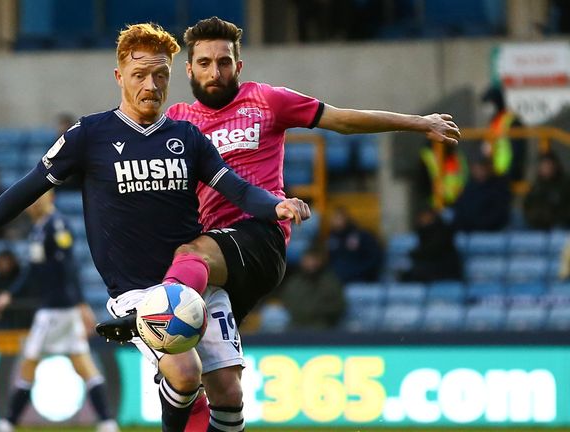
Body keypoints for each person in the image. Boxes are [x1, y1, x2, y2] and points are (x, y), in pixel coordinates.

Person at [0, 23, 309, 432]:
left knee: (228, 392)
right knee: (184, 373)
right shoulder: (89, 135)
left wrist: (277, 205)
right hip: (137, 293)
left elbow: (237, 189)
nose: (152, 84)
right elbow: (29, 187)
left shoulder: (188, 137)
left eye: (161, 75)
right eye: (140, 75)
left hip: (196, 286)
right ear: (119, 77)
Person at [96, 17, 461, 431]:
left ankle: (148, 320)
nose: (215, 72)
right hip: (209, 270)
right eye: (204, 63)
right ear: (189, 69)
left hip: (257, 240)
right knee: (225, 391)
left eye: (224, 62)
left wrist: (419, 122)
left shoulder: (267, 101)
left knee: (189, 254)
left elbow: (342, 120)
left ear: (239, 65)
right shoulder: (178, 122)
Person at [0, 190, 118, 432]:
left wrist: (81, 305)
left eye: (39, 197)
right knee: (83, 364)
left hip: (57, 309)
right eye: (32, 199)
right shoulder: (40, 228)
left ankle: (7, 424)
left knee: (29, 362)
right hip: (57, 308)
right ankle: (108, 422)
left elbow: (68, 268)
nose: (33, 202)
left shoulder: (57, 225)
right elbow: (33, 271)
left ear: (51, 197)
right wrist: (9, 294)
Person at [278, 248, 345, 329]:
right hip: (295, 325)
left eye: (313, 259)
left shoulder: (330, 282)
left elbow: (338, 306)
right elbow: (287, 303)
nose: (310, 263)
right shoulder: (294, 282)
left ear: (320, 261)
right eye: (307, 259)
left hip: (322, 326)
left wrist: (316, 312)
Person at [401, 207, 462, 282]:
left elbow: (433, 250)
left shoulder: (443, 232)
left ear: (433, 216)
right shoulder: (422, 233)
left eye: (426, 216)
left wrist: (413, 254)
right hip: (430, 270)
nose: (423, 219)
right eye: (421, 217)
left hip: (445, 270)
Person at [452, 156, 512, 232]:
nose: (479, 171)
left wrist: (475, 225)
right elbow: (460, 211)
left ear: (488, 167)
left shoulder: (499, 188)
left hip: (492, 234)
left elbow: (498, 215)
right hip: (469, 234)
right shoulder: (469, 188)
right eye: (476, 168)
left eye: (481, 168)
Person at [481, 85, 526, 181]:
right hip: (495, 174)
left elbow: (518, 151)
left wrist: (512, 172)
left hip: (508, 175)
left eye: (489, 105)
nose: (486, 109)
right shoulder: (493, 123)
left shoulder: (512, 121)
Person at [328, 207, 384, 283]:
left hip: (362, 278)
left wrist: (361, 272)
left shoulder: (362, 236)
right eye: (333, 218)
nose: (334, 221)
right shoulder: (332, 238)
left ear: (346, 219)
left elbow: (375, 257)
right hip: (338, 280)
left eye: (337, 218)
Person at [523, 152, 570, 230]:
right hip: (537, 225)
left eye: (548, 165)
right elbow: (527, 205)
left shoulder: (565, 184)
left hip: (561, 225)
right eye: (543, 166)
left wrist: (555, 216)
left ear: (555, 166)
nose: (546, 168)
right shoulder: (536, 186)